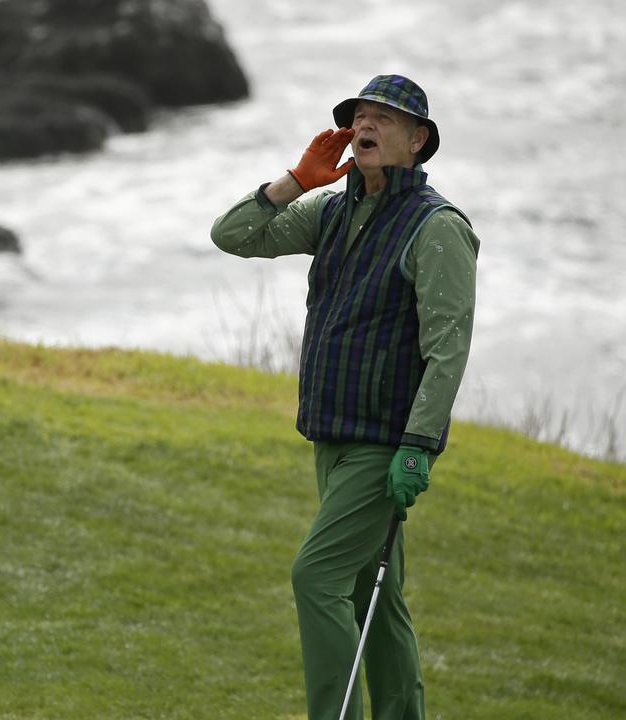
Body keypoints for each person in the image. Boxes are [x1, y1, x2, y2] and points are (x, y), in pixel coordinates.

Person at [210, 75, 480, 720]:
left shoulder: (437, 227)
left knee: (317, 576)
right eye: (361, 115)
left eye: (385, 118)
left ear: (417, 140)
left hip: (382, 445)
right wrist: (297, 181)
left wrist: (418, 446)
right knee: (373, 598)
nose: (367, 125)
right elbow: (233, 234)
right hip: (332, 437)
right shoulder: (331, 211)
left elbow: (448, 348)